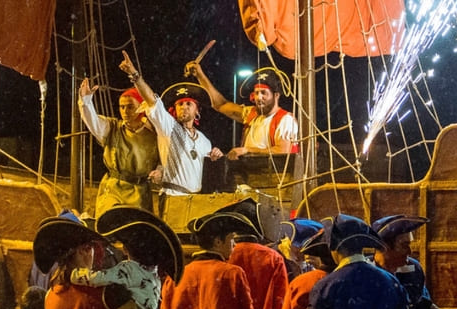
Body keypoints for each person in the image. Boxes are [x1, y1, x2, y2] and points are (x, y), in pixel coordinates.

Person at [117, 56, 222, 199]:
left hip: (196, 199)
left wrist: (216, 156)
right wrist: (135, 75)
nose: (183, 108)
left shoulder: (205, 140)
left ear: (197, 110)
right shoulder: (168, 127)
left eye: (188, 104)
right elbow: (152, 101)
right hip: (172, 197)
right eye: (180, 104)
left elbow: (210, 172)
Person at [372, 215, 457, 309]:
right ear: (384, 247)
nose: (410, 251)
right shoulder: (362, 274)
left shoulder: (413, 270)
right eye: (404, 245)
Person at [77, 76, 160, 216]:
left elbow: (162, 160)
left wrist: (159, 171)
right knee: (109, 223)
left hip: (139, 192)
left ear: (141, 107)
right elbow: (93, 122)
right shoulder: (113, 128)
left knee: (135, 228)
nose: (125, 111)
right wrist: (86, 101)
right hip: (113, 189)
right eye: (122, 107)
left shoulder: (155, 135)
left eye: (130, 106)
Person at [190, 63, 299, 162]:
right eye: (256, 93)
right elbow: (220, 105)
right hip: (249, 176)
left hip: (276, 180)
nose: (259, 97)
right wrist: (200, 75)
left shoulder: (285, 119)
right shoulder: (250, 113)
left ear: (276, 95)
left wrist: (247, 150)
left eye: (263, 93)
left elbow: (283, 151)